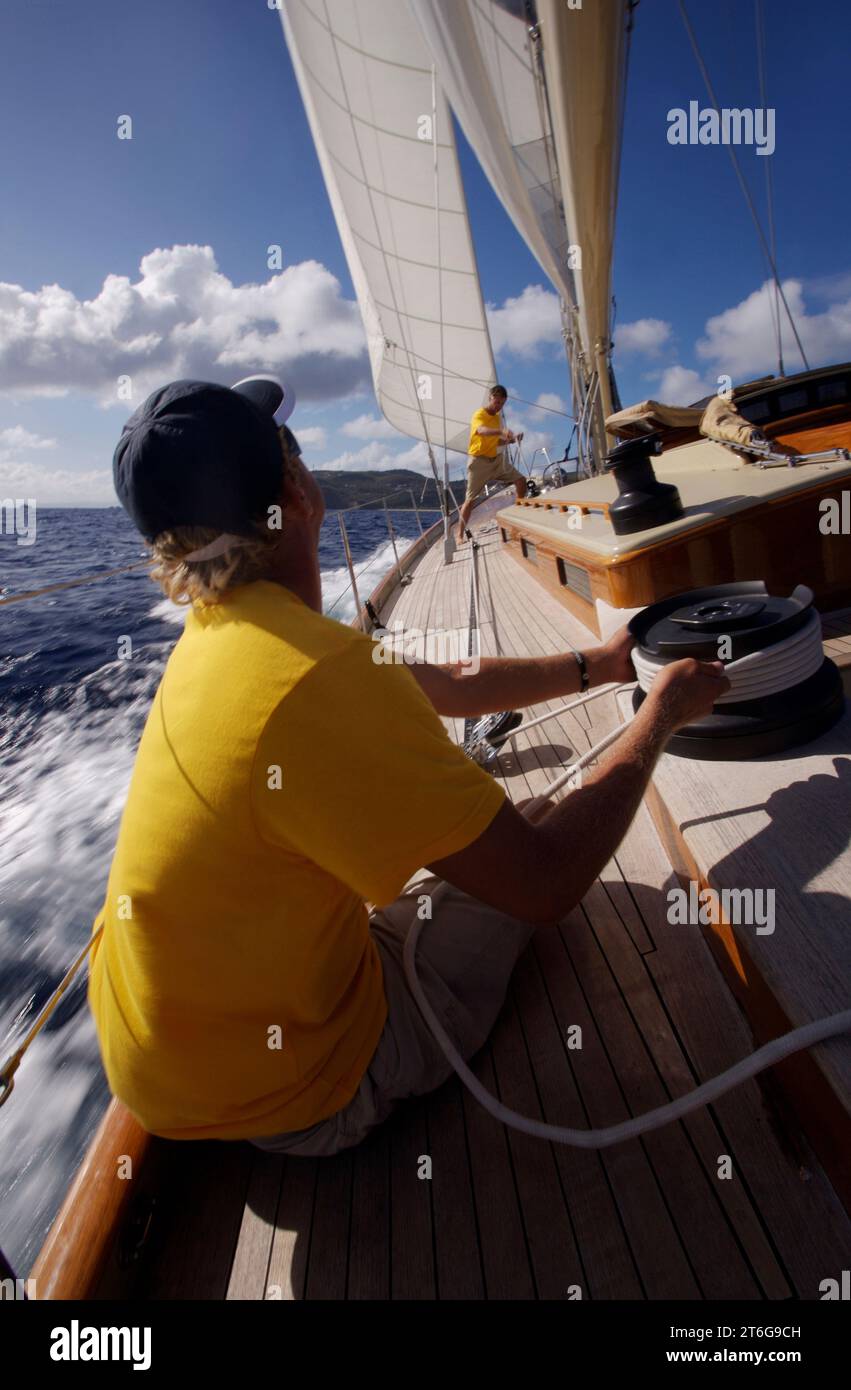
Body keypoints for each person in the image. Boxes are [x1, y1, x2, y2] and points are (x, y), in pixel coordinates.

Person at [88, 376, 729, 1157]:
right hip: (304, 1090)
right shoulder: (320, 673)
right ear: (298, 491)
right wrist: (660, 714)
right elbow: (548, 884)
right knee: (533, 834)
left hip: (171, 1075)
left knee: (507, 828)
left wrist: (596, 666)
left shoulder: (225, 638)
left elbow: (450, 687)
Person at [457, 384, 527, 542]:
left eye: (502, 404)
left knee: (521, 481)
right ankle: (460, 534)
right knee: (470, 500)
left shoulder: (497, 418)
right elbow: (481, 431)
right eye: (497, 403)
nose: (499, 407)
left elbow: (494, 442)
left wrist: (511, 441)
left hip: (495, 460)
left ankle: (519, 515)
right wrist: (501, 432)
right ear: (490, 398)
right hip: (478, 462)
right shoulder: (479, 415)